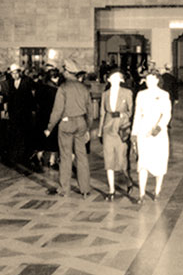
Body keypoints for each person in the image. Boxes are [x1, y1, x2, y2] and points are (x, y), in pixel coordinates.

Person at [44, 59, 93, 198]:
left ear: (67, 72)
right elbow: (90, 111)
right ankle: (85, 189)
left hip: (66, 124)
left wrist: (49, 127)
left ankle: (64, 189)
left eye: (64, 70)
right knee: (81, 156)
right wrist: (87, 128)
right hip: (81, 123)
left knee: (65, 156)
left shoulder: (63, 88)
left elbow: (57, 111)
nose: (63, 72)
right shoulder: (84, 88)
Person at [132, 70, 171, 205]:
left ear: (157, 80)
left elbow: (167, 114)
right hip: (143, 131)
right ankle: (141, 194)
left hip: (158, 133)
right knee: (143, 163)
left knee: (159, 161)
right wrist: (134, 133)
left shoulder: (164, 94)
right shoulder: (141, 94)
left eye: (151, 79)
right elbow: (137, 114)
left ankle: (157, 190)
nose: (148, 82)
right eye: (146, 79)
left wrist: (158, 128)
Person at [97, 67, 133, 200]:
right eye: (113, 77)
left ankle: (128, 180)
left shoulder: (127, 93)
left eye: (118, 77)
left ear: (121, 80)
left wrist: (122, 115)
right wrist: (100, 131)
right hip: (108, 129)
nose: (115, 79)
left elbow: (131, 111)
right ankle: (111, 190)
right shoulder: (105, 94)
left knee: (122, 160)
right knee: (108, 160)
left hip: (121, 129)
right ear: (109, 79)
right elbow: (102, 113)